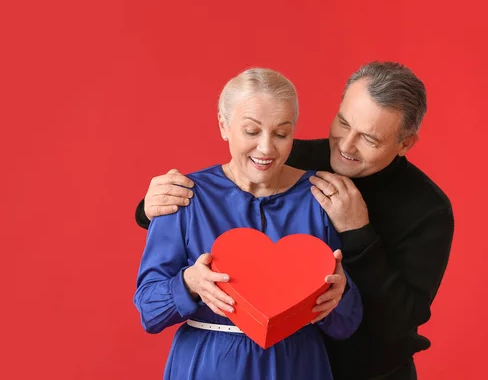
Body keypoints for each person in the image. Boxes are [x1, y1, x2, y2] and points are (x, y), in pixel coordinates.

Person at [134, 61, 454, 380]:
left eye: (369, 139)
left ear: (405, 144)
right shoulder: (280, 158)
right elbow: (212, 200)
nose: (345, 146)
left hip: (367, 370)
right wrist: (150, 209)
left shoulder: (426, 210)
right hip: (217, 363)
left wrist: (357, 234)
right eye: (343, 123)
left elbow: (392, 319)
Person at [133, 68, 363, 380]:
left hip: (299, 366)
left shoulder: (323, 198)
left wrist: (339, 295)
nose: (267, 149)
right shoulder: (183, 196)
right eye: (252, 132)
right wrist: (189, 282)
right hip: (207, 366)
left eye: (281, 134)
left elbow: (347, 324)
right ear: (223, 126)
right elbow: (148, 310)